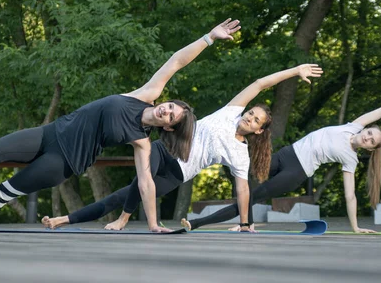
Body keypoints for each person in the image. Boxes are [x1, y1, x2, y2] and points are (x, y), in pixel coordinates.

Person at [0, 19, 241, 232]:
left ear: (168, 128)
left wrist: (153, 224)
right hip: (51, 133)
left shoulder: (141, 141)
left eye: (171, 118)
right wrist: (208, 38)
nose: (166, 113)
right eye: (170, 108)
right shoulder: (146, 95)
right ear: (165, 102)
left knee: (3, 192)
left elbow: (145, 184)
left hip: (65, 161)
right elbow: (176, 61)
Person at [41, 64, 323, 231]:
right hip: (165, 150)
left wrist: (246, 222)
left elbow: (243, 190)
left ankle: (63, 220)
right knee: (141, 182)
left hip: (178, 174)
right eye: (251, 113)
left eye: (255, 120)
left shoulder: (240, 154)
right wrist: (295, 71)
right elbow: (261, 83)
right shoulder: (230, 111)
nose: (249, 118)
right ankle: (122, 220)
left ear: (259, 130)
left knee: (122, 195)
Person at [183, 96, 381, 233]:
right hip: (285, 154)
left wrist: (355, 227)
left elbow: (350, 196)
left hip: (296, 171)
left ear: (370, 148)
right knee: (240, 170)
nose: (367, 138)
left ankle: (202, 223)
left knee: (251, 197)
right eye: (370, 134)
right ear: (365, 129)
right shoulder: (352, 126)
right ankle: (192, 164)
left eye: (371, 142)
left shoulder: (350, 158)